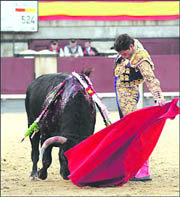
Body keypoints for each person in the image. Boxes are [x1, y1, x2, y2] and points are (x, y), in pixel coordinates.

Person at [113, 34, 166, 181]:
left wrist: (158, 97)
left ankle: (142, 169)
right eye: (120, 54)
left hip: (128, 95)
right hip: (121, 92)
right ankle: (131, 166)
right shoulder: (131, 44)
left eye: (124, 54)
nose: (122, 56)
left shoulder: (141, 58)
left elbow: (151, 78)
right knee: (127, 130)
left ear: (131, 48)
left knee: (134, 131)